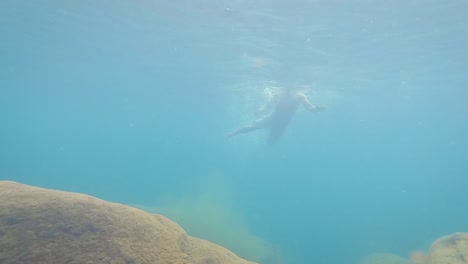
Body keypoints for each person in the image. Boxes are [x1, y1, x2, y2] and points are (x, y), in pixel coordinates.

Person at [226, 87, 326, 144]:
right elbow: (267, 106)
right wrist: (260, 111)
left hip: (282, 123)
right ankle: (233, 133)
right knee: (252, 128)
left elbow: (310, 107)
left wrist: (317, 109)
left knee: (272, 141)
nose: (288, 91)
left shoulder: (300, 96)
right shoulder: (278, 94)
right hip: (272, 118)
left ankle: (263, 153)